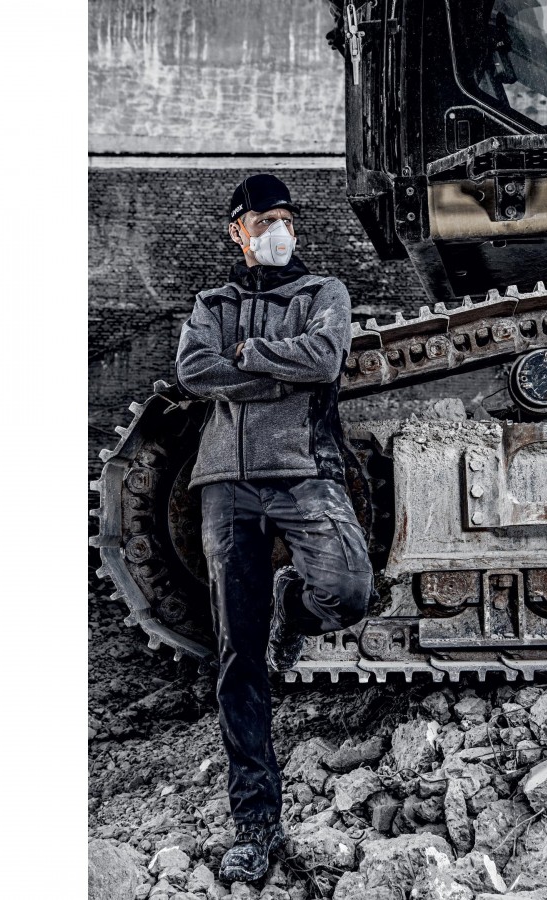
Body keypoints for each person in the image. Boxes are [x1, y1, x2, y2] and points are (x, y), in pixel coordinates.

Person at [174, 173, 375, 883]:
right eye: (263, 221)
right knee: (239, 657)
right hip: (225, 486)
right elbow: (194, 371)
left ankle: (295, 601)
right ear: (239, 231)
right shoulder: (213, 304)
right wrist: (280, 375)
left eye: (285, 218)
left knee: (348, 591)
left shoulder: (324, 293)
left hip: (304, 471)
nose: (277, 231)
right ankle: (255, 824)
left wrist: (248, 356)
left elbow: (325, 359)